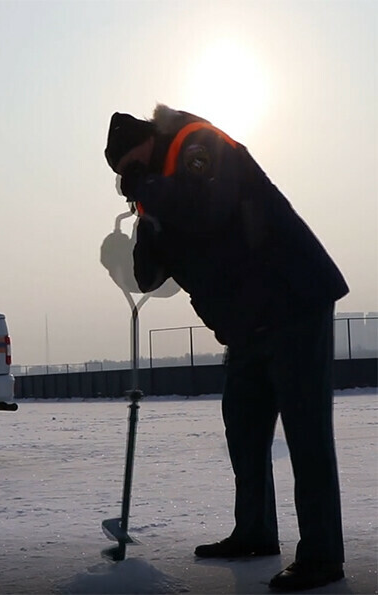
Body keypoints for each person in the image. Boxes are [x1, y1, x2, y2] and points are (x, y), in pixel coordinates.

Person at [103, 105, 348, 592]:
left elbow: (208, 206)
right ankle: (255, 531)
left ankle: (323, 555)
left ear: (146, 143)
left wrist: (149, 192)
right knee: (244, 429)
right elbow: (152, 277)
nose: (129, 178)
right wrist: (137, 236)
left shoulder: (198, 143)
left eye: (130, 165)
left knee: (306, 435)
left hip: (293, 303)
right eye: (122, 176)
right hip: (246, 327)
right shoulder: (158, 194)